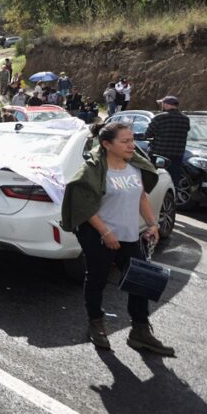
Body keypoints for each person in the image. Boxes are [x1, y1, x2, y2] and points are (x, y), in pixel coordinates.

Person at [61, 121, 174, 356]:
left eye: (132, 140)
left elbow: (141, 197)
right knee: (97, 279)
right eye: (125, 141)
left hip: (128, 235)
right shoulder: (93, 171)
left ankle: (140, 331)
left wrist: (152, 224)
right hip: (98, 235)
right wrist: (105, 232)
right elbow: (84, 206)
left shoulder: (135, 166)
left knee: (141, 281)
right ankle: (96, 324)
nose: (132, 145)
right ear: (107, 144)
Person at [145, 95, 190, 188]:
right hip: (178, 155)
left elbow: (148, 134)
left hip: (160, 155)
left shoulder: (159, 117)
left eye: (162, 103)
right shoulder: (185, 119)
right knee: (174, 179)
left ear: (166, 104)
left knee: (156, 178)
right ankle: (173, 194)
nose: (162, 105)